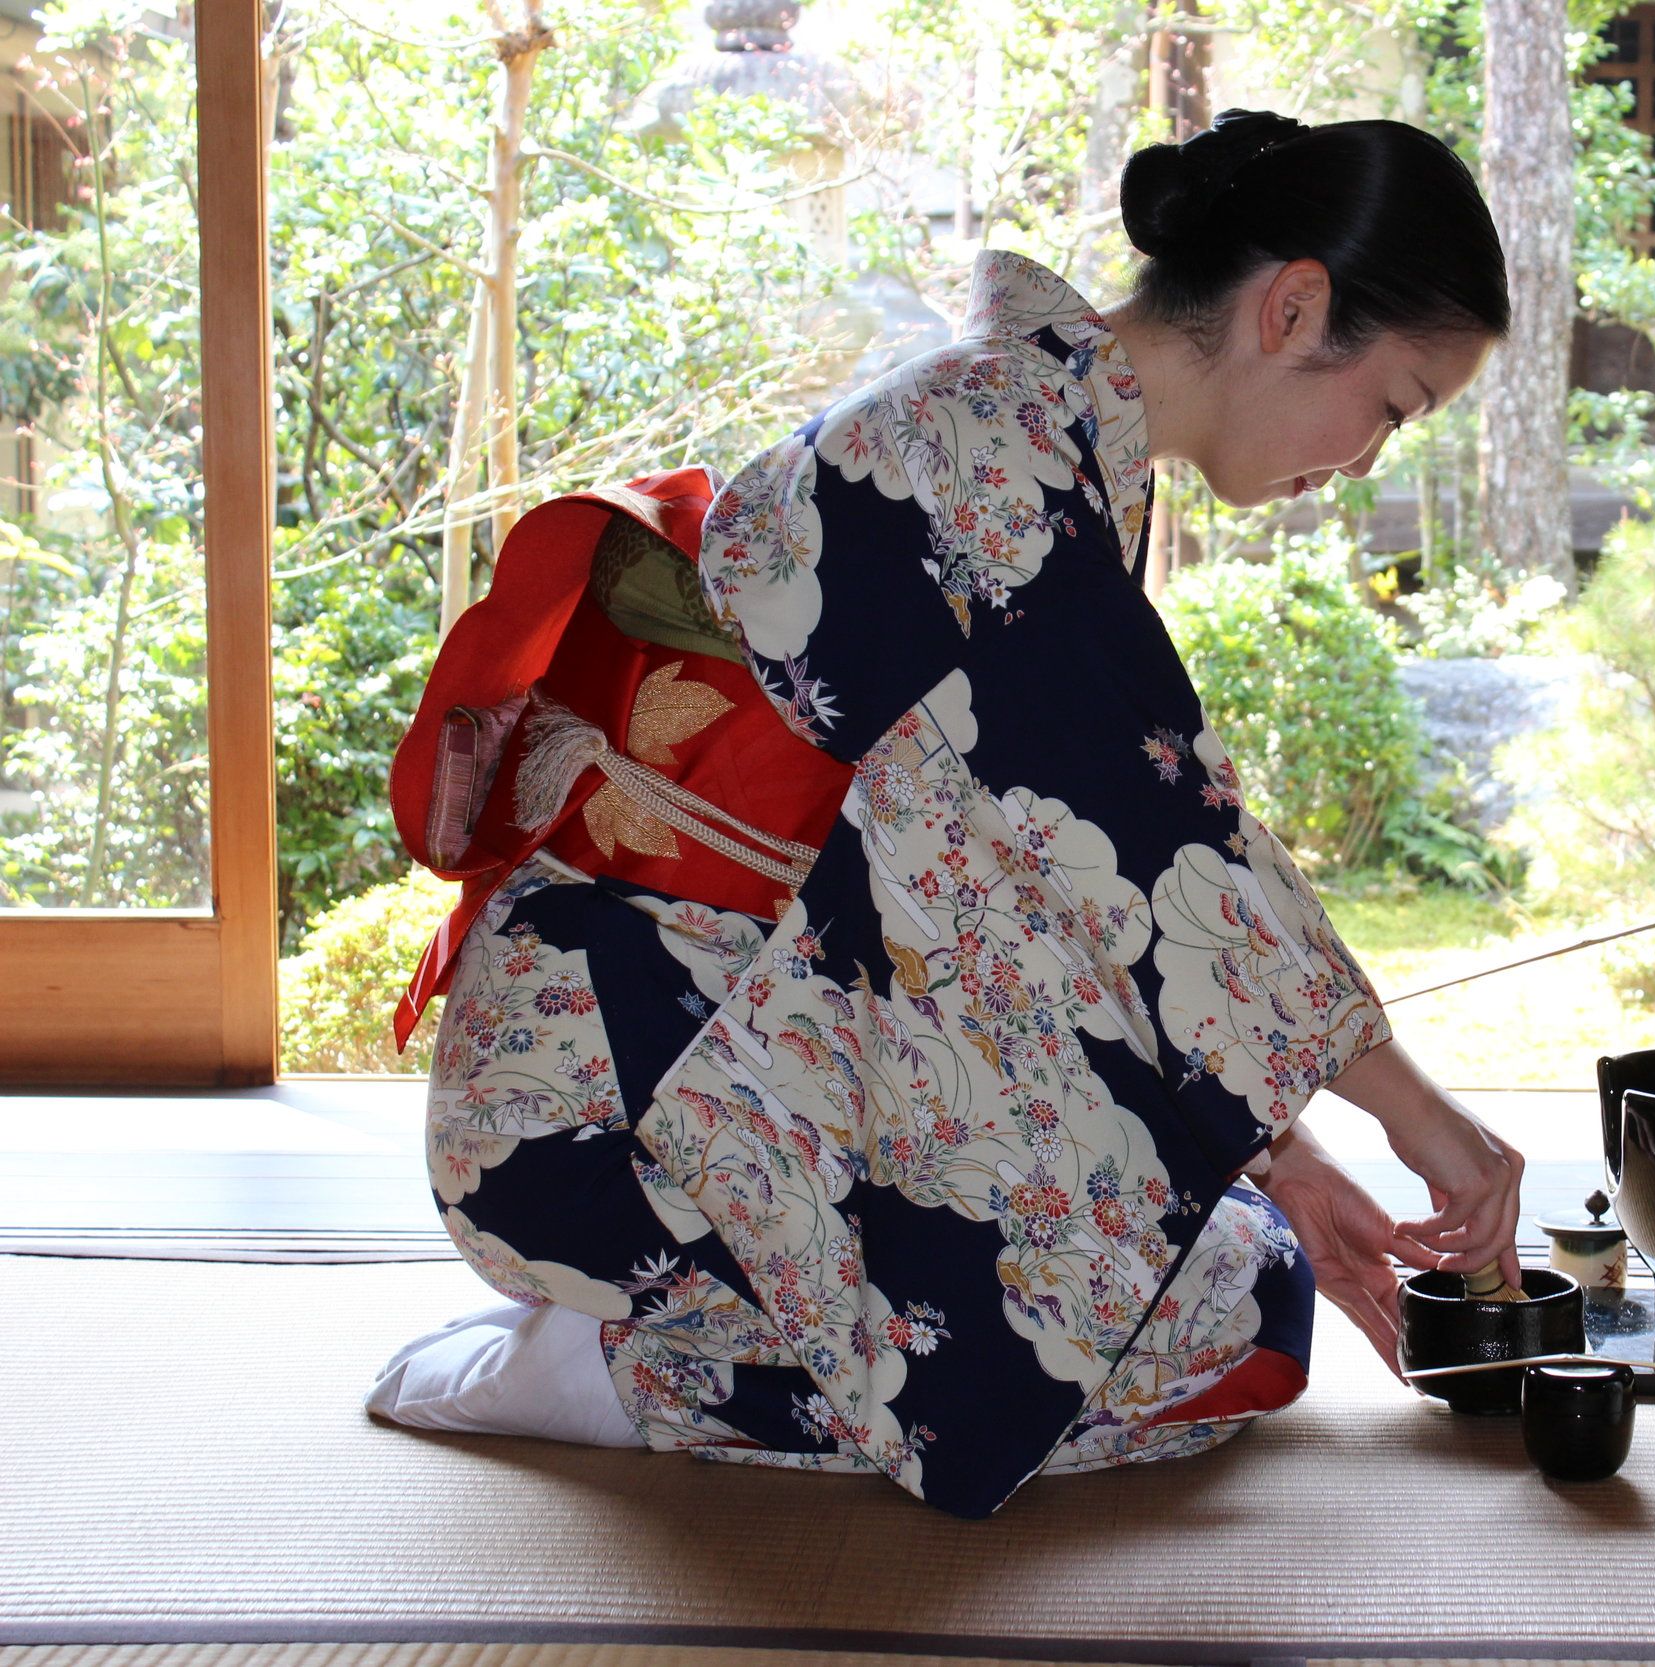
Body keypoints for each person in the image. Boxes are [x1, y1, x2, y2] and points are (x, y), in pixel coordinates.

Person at [367, 108, 1525, 1518]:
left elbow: (1043, 885)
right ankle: (627, 1373)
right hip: (602, 1098)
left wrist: (1280, 1153)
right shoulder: (986, 445)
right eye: (1393, 407)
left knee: (1235, 1260)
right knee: (1233, 1312)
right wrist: (1419, 1117)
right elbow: (1164, 852)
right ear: (1295, 306)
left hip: (722, 1041)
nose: (1366, 460)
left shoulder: (1042, 435)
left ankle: (666, 1330)